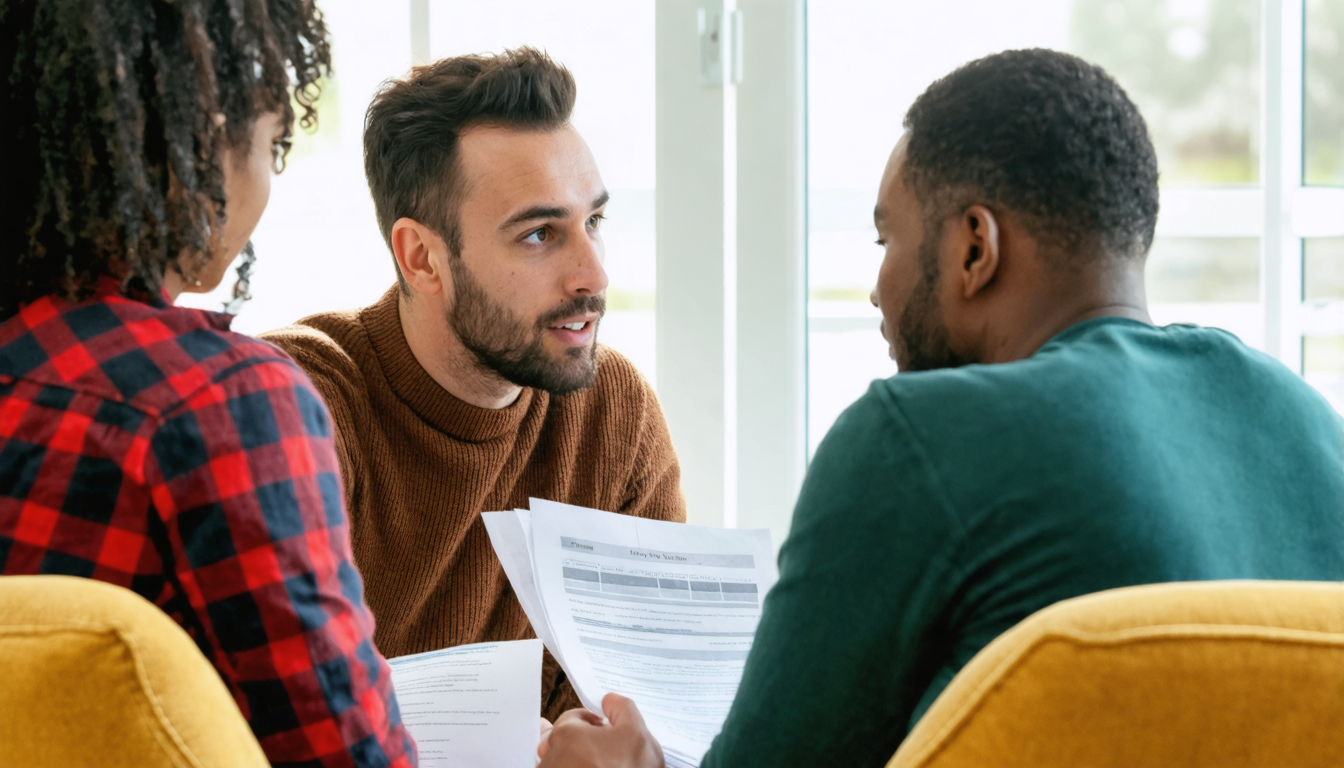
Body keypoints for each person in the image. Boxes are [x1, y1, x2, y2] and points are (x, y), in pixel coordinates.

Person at [536, 48, 1344, 767]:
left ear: (973, 248)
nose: (878, 287)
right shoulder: (1304, 421)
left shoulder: (916, 438)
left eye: (887, 240)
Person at [0, 1, 416, 765]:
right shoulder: (219, 406)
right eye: (272, 145)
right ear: (195, 141)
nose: (266, 183)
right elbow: (347, 756)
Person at [261, 47, 686, 719]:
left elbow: (643, 708)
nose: (593, 276)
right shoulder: (298, 405)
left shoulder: (614, 413)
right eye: (541, 234)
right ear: (422, 257)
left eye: (593, 223)